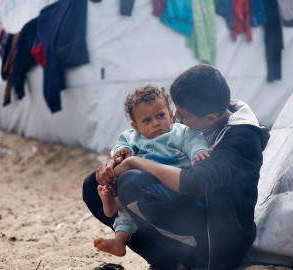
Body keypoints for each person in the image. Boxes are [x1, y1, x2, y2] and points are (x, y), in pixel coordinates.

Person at [83, 64, 270, 270]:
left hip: (218, 240)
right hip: (188, 209)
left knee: (132, 181)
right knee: (94, 184)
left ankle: (196, 260)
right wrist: (118, 161)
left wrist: (134, 162)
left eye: (182, 115)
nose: (177, 118)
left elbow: (194, 183)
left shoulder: (242, 138)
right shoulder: (206, 113)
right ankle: (170, 263)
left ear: (210, 119)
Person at [93, 84, 210, 258]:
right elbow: (121, 146)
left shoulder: (181, 133)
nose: (156, 123)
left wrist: (198, 152)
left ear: (170, 114)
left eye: (160, 115)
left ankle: (116, 203)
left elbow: (195, 141)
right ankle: (119, 239)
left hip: (171, 185)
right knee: (127, 213)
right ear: (136, 126)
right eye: (147, 120)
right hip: (142, 187)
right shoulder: (132, 137)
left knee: (130, 192)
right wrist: (121, 151)